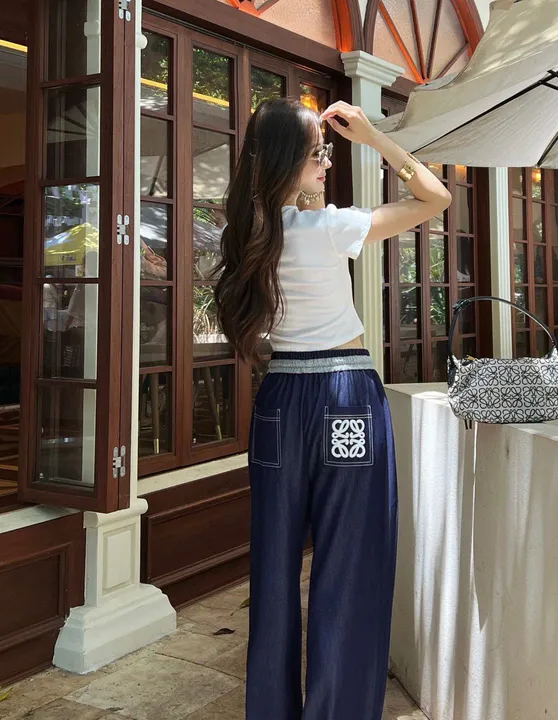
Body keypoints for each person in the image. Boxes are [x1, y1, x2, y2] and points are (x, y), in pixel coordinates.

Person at [213, 98, 451, 720]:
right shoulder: (329, 228)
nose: (326, 162)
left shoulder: (246, 235)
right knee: (350, 561)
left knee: (273, 566)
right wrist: (374, 137)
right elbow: (435, 198)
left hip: (280, 405)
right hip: (345, 402)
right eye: (317, 153)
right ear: (288, 161)